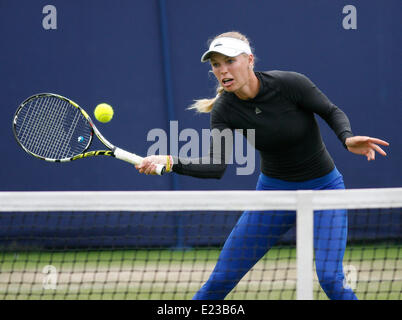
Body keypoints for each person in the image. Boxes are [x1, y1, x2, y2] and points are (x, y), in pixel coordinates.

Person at [136, 31, 389, 300]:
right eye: (216, 64)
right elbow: (215, 166)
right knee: (219, 281)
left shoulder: (290, 84)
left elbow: (330, 111)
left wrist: (347, 138)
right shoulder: (225, 109)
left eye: (230, 61)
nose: (223, 70)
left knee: (331, 280)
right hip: (273, 196)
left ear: (249, 60)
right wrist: (171, 162)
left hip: (324, 190)